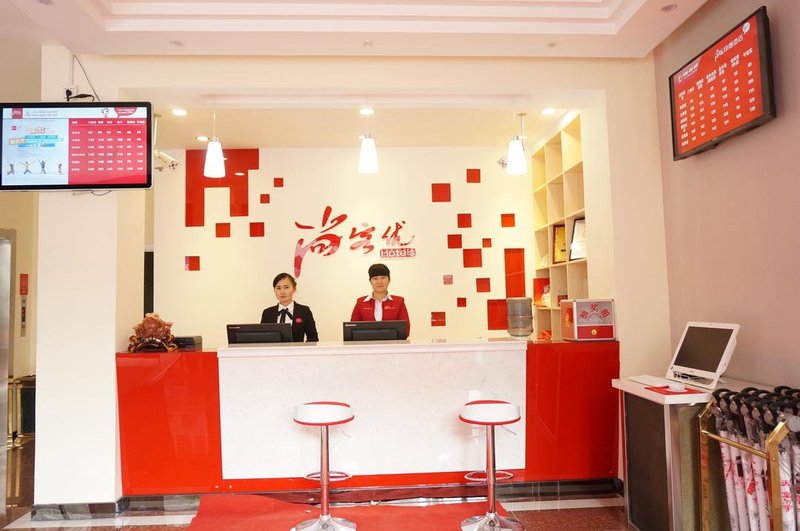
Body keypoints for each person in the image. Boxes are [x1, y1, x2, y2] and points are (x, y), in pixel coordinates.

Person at [350, 263, 410, 335]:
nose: (379, 282)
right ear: (370, 281)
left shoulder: (399, 302)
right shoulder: (360, 302)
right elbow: (352, 330)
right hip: (367, 342)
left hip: (392, 342)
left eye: (383, 278)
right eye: (375, 278)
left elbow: (405, 330)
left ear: (389, 280)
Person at [260, 272, 319, 342]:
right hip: (273, 349)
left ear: (294, 289)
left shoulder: (304, 311)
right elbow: (262, 339)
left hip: (297, 349)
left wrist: (301, 348)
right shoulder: (267, 313)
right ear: (274, 290)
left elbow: (313, 338)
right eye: (278, 288)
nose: (282, 292)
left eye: (286, 287)